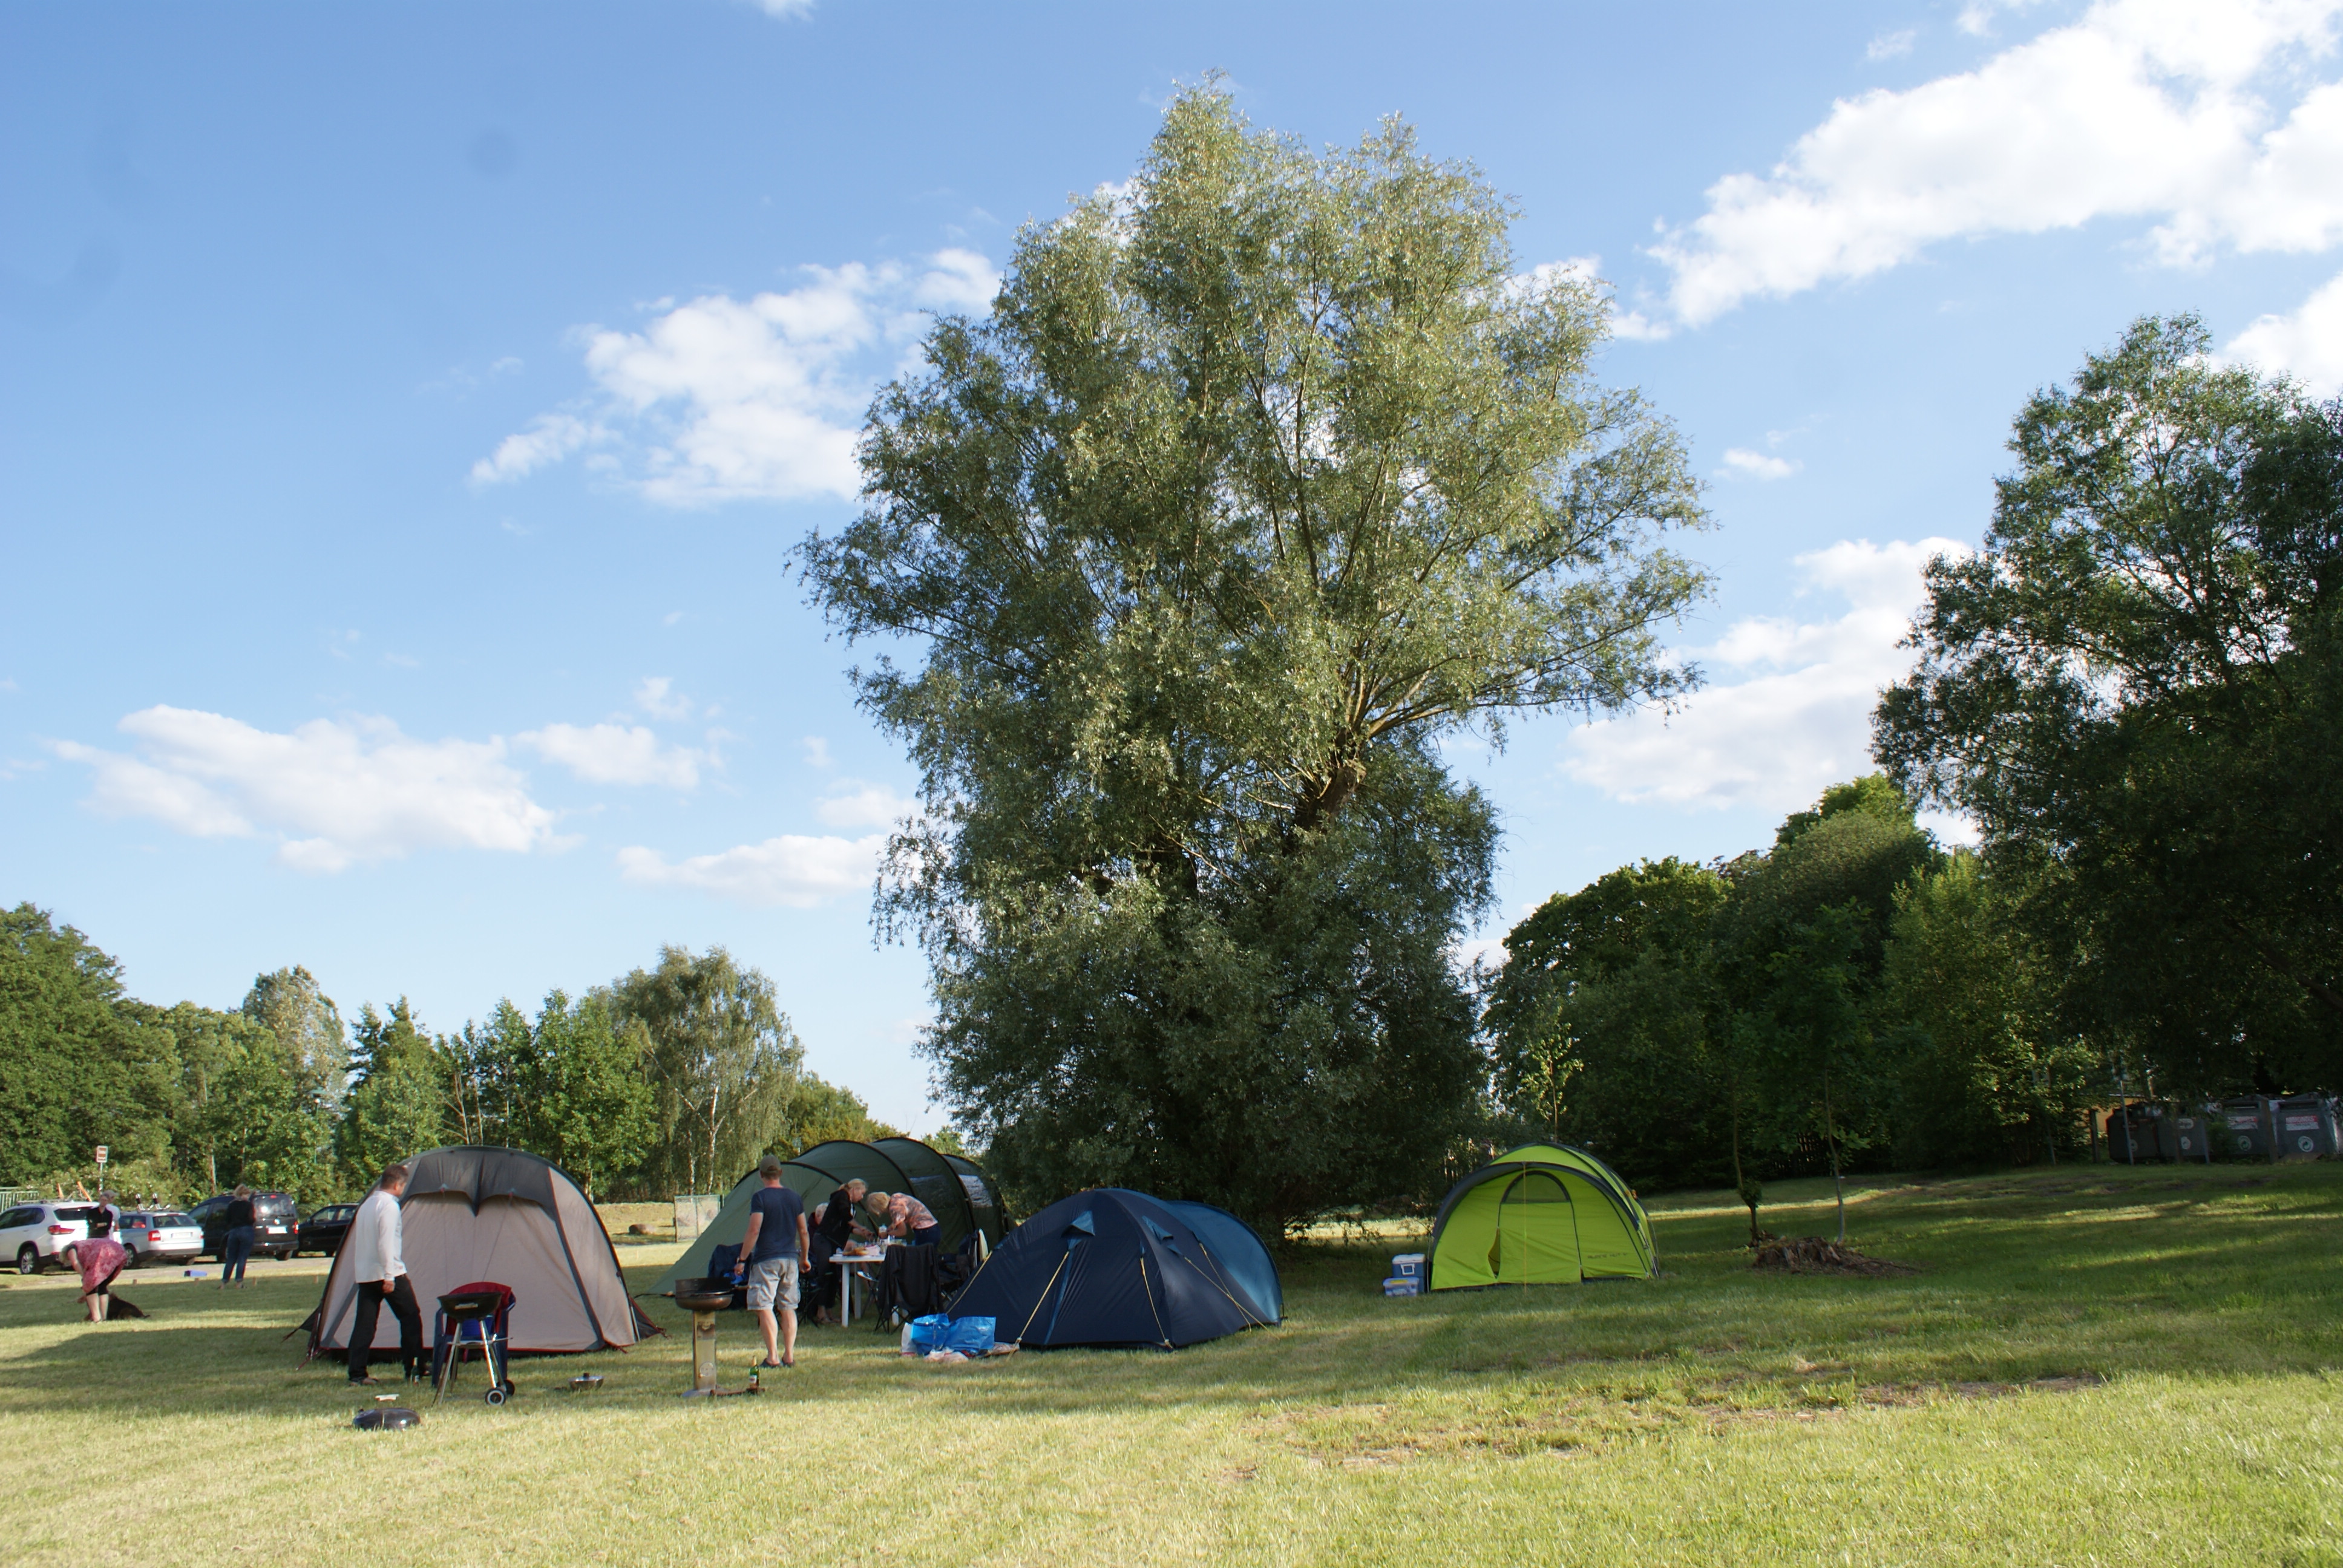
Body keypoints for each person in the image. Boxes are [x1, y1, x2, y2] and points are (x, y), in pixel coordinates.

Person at [344, 1163, 423, 1386]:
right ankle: (413, 1368)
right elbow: (386, 1242)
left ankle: (357, 1374)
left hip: (366, 1273)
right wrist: (390, 1276)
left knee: (365, 1324)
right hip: (389, 1273)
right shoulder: (389, 1207)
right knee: (410, 1317)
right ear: (398, 1185)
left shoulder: (367, 1205)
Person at [733, 1156, 809, 1369]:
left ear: (761, 1175)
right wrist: (804, 1258)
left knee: (764, 1305)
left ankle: (773, 1357)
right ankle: (790, 1356)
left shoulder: (760, 1198)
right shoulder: (795, 1198)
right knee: (789, 1307)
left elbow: (754, 1229)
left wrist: (742, 1259)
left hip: (766, 1260)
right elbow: (803, 1230)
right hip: (790, 1260)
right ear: (781, 1173)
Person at [807, 1178, 867, 1327]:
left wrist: (864, 1232)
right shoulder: (842, 1196)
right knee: (825, 1274)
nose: (862, 1197)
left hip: (833, 1243)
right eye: (862, 1193)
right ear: (855, 1189)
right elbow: (847, 1218)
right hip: (823, 1240)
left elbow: (848, 1226)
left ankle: (829, 1312)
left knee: (834, 1276)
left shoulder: (849, 1205)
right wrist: (860, 1226)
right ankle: (821, 1312)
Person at [62, 1212, 128, 1324]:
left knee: (90, 1286)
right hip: (118, 1251)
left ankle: (96, 1318)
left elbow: (74, 1262)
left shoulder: (71, 1248)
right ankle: (103, 1318)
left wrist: (84, 1276)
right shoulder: (85, 1245)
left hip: (103, 1252)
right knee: (101, 1286)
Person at [867, 1189, 942, 1247]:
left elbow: (902, 1231)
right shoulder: (896, 1197)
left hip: (925, 1232)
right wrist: (893, 1226)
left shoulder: (894, 1208)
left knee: (921, 1261)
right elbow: (901, 1215)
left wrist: (887, 1234)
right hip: (934, 1229)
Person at [219, 1184, 257, 1289]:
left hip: (234, 1231)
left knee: (231, 1258)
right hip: (246, 1230)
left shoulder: (232, 1205)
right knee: (242, 1258)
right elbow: (251, 1219)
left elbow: (227, 1219)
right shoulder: (249, 1205)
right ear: (244, 1194)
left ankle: (223, 1283)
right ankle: (239, 1283)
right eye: (247, 1194)